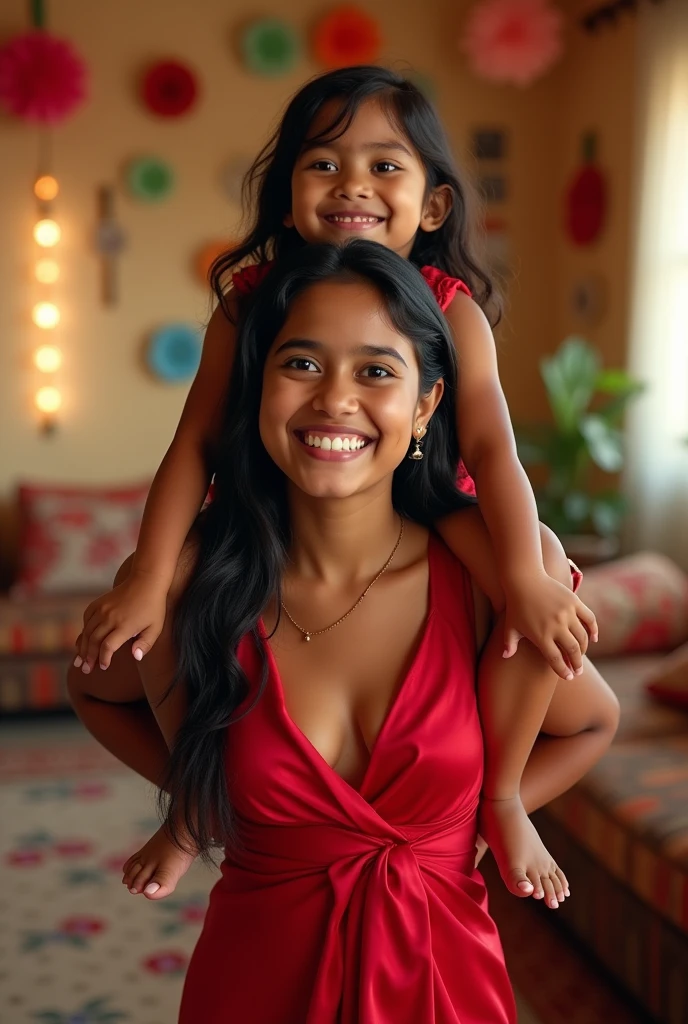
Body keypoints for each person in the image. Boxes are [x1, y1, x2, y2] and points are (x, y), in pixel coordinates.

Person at [73, 65, 606, 897]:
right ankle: (195, 802)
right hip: (265, 510)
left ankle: (500, 800)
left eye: (384, 165)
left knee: (530, 558)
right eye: (323, 162)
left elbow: (495, 450)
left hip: (430, 496)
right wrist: (146, 575)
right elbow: (195, 441)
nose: (352, 183)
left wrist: (530, 580)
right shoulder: (249, 305)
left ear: (433, 206)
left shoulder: (449, 305)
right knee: (166, 585)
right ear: (286, 197)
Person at [68, 242, 619, 1023]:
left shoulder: (484, 584)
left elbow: (593, 721)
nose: (334, 399)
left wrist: (485, 819)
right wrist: (201, 803)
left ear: (427, 405)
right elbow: (92, 688)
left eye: (376, 371)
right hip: (253, 985)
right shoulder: (198, 591)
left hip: (445, 985)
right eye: (300, 364)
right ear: (257, 390)